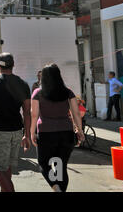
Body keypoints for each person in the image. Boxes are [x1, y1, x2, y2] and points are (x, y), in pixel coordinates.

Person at [0, 53, 31, 192]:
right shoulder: (23, 84)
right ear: (13, 65)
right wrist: (27, 135)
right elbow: (27, 112)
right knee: (6, 166)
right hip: (16, 132)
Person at [31, 64, 85, 192]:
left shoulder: (38, 93)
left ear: (43, 78)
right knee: (60, 166)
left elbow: (34, 114)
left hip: (45, 133)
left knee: (44, 163)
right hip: (66, 133)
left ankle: (55, 187)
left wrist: (31, 132)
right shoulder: (68, 92)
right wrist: (80, 130)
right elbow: (76, 113)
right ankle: (60, 189)